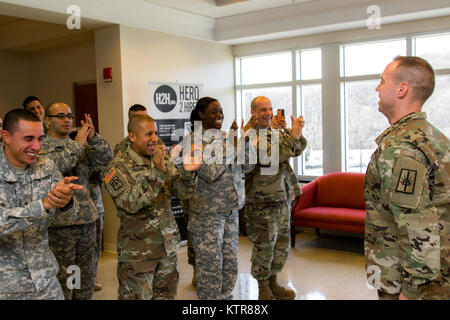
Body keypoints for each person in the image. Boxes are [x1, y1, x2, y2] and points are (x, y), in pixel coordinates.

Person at [364, 56, 449, 300]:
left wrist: (411, 292)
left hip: (410, 283)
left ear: (402, 89)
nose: (377, 88)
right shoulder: (433, 136)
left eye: (382, 81)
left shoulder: (400, 147)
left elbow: (416, 226)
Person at [103, 114, 200, 300]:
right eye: (148, 134)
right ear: (132, 137)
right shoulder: (116, 168)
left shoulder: (161, 159)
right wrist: (157, 172)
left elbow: (182, 193)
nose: (155, 138)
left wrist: (188, 173)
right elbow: (130, 203)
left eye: (155, 133)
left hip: (167, 249)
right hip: (137, 255)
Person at [0, 109, 82, 300]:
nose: (36, 147)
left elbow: (68, 217)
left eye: (40, 139)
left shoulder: (45, 166)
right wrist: (43, 205)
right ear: (6, 137)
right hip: (6, 286)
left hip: (45, 280)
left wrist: (65, 203)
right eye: (28, 139)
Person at [40, 102, 113, 300]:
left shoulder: (80, 143)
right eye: (61, 116)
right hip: (62, 226)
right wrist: (78, 144)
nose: (67, 120)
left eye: (70, 116)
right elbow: (60, 165)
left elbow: (106, 159)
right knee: (67, 278)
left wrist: (93, 137)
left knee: (87, 277)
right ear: (47, 121)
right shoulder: (42, 147)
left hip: (87, 221)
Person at [182, 97, 250, 300]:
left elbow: (247, 167)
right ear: (201, 114)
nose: (220, 115)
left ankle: (225, 296)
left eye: (221, 111)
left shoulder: (226, 137)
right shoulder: (192, 140)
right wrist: (230, 145)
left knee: (230, 262)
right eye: (214, 112)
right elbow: (210, 173)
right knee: (210, 265)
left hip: (230, 210)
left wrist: (244, 142)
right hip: (207, 213)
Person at [244, 96, 307, 300]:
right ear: (253, 112)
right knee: (265, 246)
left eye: (270, 109)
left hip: (281, 197)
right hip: (262, 200)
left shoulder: (274, 132)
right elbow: (272, 155)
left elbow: (296, 149)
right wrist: (291, 137)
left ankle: (273, 282)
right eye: (263, 109)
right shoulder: (250, 135)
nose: (268, 113)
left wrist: (296, 133)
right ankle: (263, 288)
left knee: (280, 245)